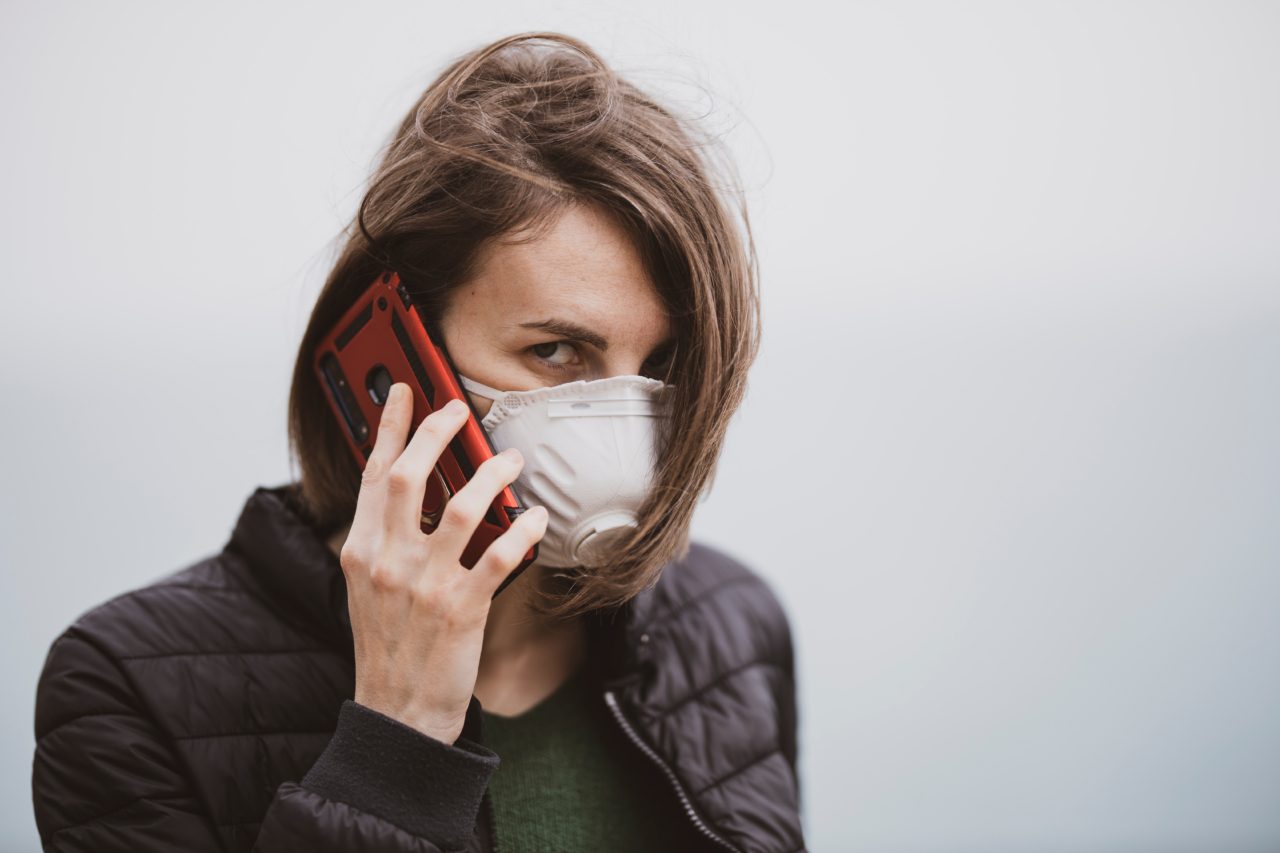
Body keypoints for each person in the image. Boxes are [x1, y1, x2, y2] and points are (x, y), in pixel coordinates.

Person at [31, 31, 804, 853]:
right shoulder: (125, 686)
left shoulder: (730, 622)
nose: (623, 421)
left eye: (659, 363)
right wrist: (394, 744)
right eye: (555, 352)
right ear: (401, 354)